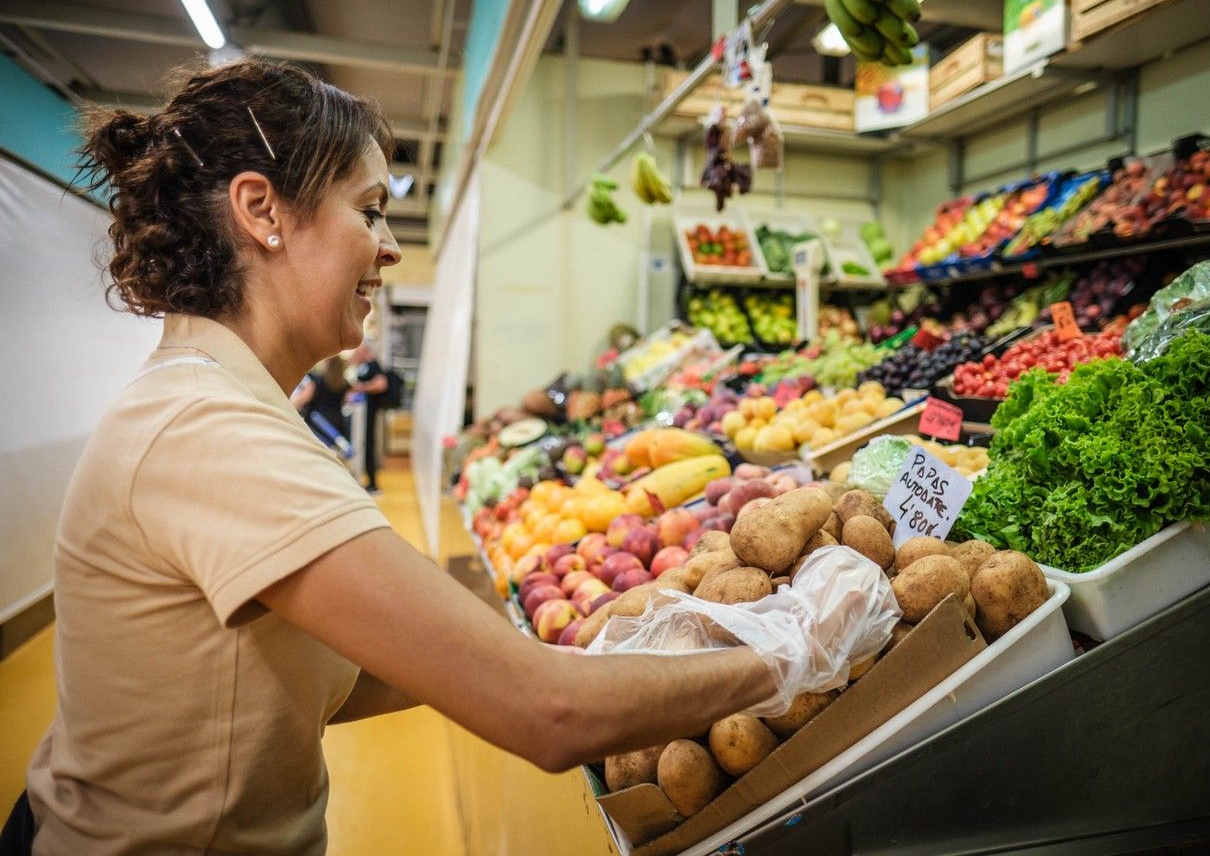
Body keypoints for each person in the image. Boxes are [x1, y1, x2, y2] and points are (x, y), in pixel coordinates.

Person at [10, 58, 878, 855]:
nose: (389, 246)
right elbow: (548, 714)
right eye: (371, 209)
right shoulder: (207, 431)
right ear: (261, 209)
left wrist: (531, 651)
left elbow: (321, 682)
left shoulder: (216, 405)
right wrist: (794, 652)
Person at [346, 341, 390, 492]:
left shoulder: (373, 365)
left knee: (369, 445)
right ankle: (365, 479)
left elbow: (381, 384)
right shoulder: (363, 366)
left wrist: (362, 388)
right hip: (361, 415)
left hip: (369, 414)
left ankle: (372, 482)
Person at [291, 355, 352, 453]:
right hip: (338, 420)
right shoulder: (345, 384)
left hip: (319, 421)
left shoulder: (317, 381)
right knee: (334, 452)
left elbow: (306, 398)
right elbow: (345, 402)